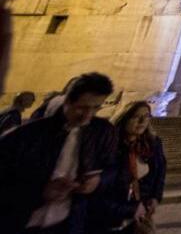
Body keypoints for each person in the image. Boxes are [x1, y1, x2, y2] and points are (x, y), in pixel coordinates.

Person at [0, 72, 116, 233]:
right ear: (67, 101)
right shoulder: (25, 136)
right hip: (21, 222)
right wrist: (40, 191)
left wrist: (98, 180)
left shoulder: (103, 133)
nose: (88, 115)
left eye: (96, 107)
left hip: (68, 223)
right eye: (82, 107)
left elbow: (113, 168)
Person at [91, 101, 166, 233]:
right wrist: (129, 209)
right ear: (125, 118)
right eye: (136, 116)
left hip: (140, 214)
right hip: (112, 216)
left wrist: (155, 197)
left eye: (147, 116)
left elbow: (160, 172)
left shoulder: (152, 144)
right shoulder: (110, 146)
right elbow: (100, 190)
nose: (142, 121)